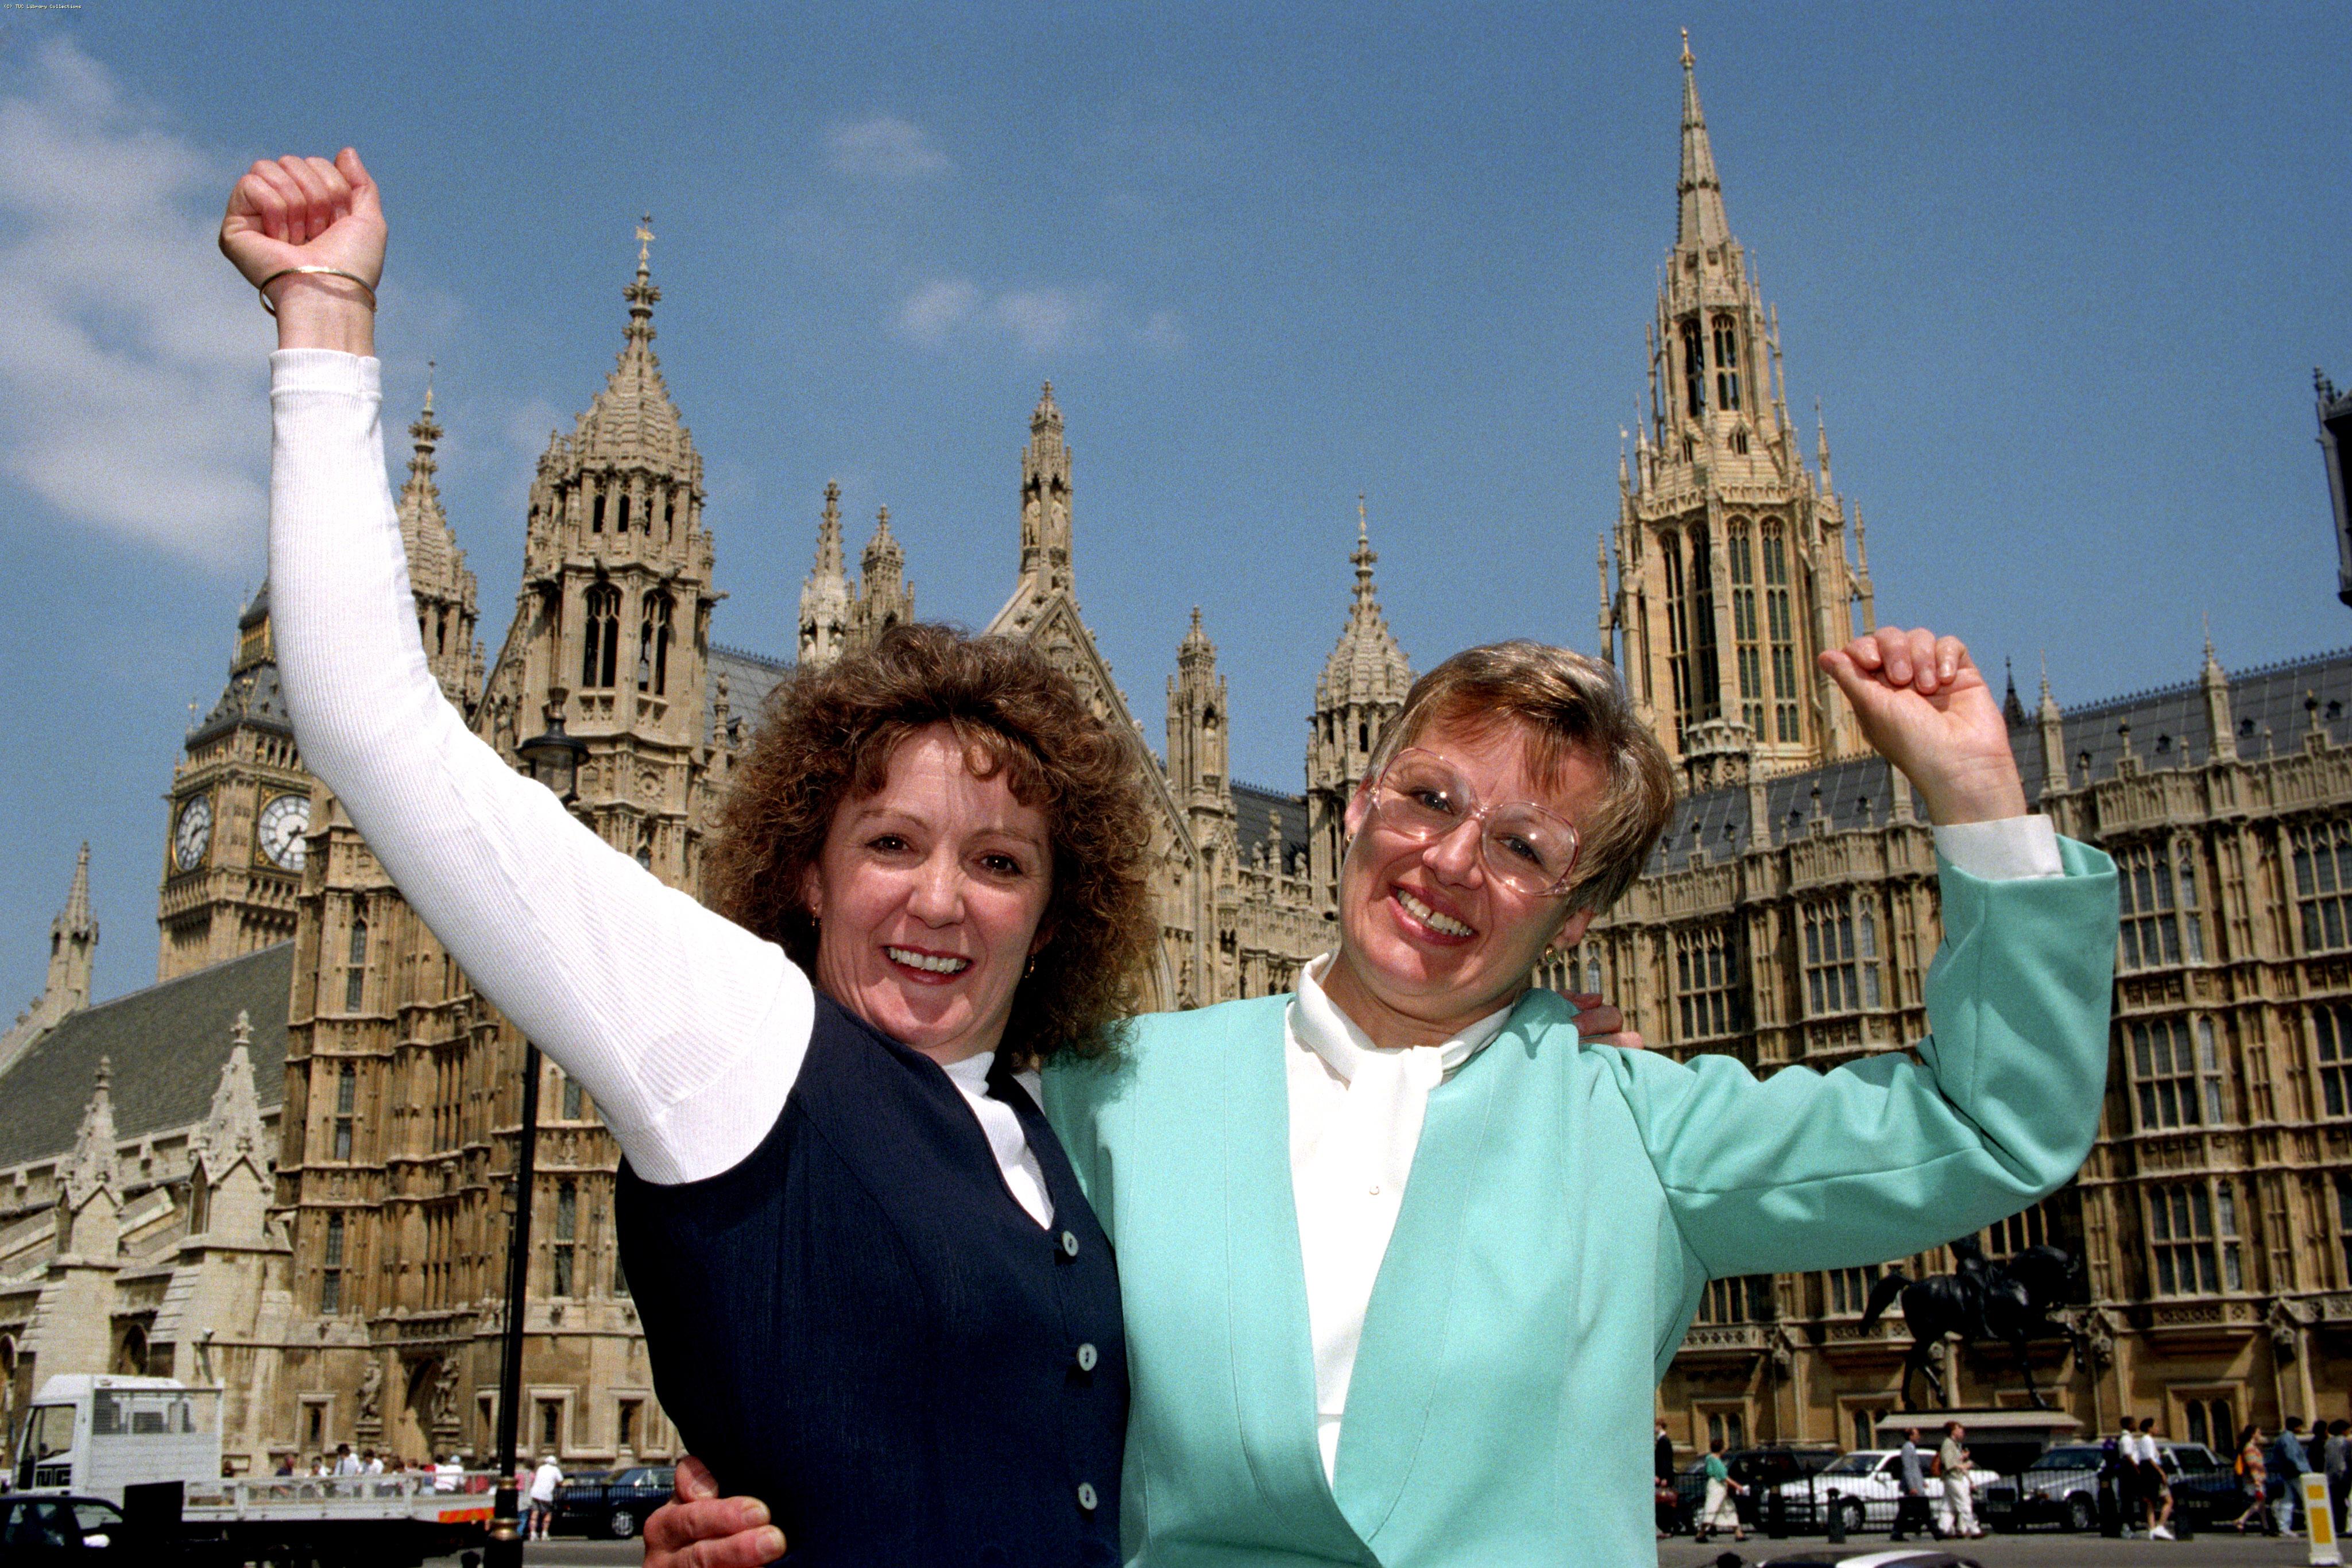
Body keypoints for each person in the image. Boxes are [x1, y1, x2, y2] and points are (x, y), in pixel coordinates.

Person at [219, 148, 1214, 1567]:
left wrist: (1542, 1028)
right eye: (889, 844)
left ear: (1059, 911)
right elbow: (381, 729)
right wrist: (323, 328)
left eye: (1000, 862)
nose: (940, 898)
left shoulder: (1050, 1138)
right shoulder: (735, 1035)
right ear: (803, 870)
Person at [653, 622, 2116, 1568]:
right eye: (1426, 800)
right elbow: (914, 1309)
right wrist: (753, 1514)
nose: (1450, 862)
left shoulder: (1639, 1127)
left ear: (1577, 916)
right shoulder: (1116, 1091)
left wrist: (1979, 805)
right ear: (1353, 801)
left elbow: (1993, 1127)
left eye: (1526, 849)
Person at [1695, 1437, 1744, 1544]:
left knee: (1729, 1507)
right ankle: (1701, 1533)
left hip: (1717, 1486)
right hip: (1717, 1487)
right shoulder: (1716, 1461)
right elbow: (1724, 1477)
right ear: (1720, 1449)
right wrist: (1738, 1486)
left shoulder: (1709, 1458)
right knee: (1712, 1508)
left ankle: (1739, 1533)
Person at [1936, 1422, 1980, 1540]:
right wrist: (1964, 1466)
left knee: (1949, 1507)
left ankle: (1943, 1530)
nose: (1961, 1431)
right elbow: (1949, 1463)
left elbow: (1954, 1460)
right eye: (1958, 1429)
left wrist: (1963, 1459)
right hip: (1953, 1478)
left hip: (1953, 1478)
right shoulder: (1948, 1444)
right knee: (1964, 1503)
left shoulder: (1955, 1445)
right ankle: (1974, 1531)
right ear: (1952, 1431)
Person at [1890, 1427, 1933, 1542]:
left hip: (1916, 1483)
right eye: (1917, 1434)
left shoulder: (1911, 1448)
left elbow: (1916, 1468)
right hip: (1912, 1486)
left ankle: (1898, 1532)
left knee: (1906, 1511)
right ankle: (1935, 1531)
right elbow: (1908, 1468)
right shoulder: (1907, 1448)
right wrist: (1912, 1486)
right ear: (1911, 1436)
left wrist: (1922, 1481)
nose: (1919, 1437)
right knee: (1919, 1510)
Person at [2138, 1416, 2175, 1540]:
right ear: (2150, 1428)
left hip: (2146, 1471)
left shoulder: (2143, 1440)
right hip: (2153, 1472)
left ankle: (2152, 1528)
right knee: (2169, 1500)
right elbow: (2150, 1459)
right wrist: (2161, 1472)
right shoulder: (2148, 1440)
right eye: (2156, 1426)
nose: (2158, 1428)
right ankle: (2160, 1526)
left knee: (2151, 1502)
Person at [2274, 1416, 2312, 1536]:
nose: (2301, 1429)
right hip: (2297, 1473)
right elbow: (2292, 1456)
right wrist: (2303, 1470)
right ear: (2296, 1427)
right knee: (2307, 1498)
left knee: (2288, 1500)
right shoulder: (2289, 1438)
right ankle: (2311, 1524)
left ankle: (2284, 1526)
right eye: (2300, 1426)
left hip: (2288, 1473)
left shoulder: (2282, 1438)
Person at [2229, 1424, 2269, 1532]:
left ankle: (2265, 1527)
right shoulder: (2249, 1448)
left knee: (2261, 1504)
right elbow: (2252, 1465)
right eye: (2258, 1433)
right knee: (2259, 1503)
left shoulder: (2253, 1447)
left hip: (2258, 1478)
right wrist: (2257, 1480)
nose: (2260, 1435)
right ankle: (2241, 1520)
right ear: (2253, 1434)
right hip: (2255, 1480)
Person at [529, 1455, 563, 1542]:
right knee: (547, 1514)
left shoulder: (541, 1468)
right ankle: (544, 1533)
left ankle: (533, 1534)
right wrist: (555, 1485)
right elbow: (560, 1481)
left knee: (535, 1514)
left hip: (535, 1493)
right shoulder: (555, 1470)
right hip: (546, 1495)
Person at [1654, 1420, 1677, 1539]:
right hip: (1662, 1476)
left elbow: (1666, 1461)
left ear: (1660, 1426)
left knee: (1664, 1504)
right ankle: (1669, 1527)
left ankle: (1668, 1528)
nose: (1654, 1429)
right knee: (1663, 1503)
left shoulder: (1664, 1441)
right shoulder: (1661, 1440)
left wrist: (1663, 1477)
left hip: (1664, 1478)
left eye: (1655, 1426)